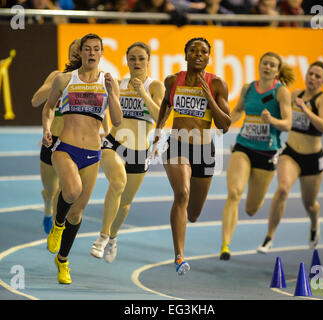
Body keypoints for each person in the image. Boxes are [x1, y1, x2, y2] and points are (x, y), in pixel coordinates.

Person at [42, 33, 122, 284]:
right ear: (81, 52)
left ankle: (62, 261)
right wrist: (46, 128)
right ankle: (57, 223)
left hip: (92, 153)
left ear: (101, 53)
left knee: (76, 215)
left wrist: (113, 93)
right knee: (72, 190)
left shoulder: (109, 82)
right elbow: (48, 107)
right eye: (87, 49)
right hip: (65, 146)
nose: (91, 53)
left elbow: (117, 121)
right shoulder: (65, 79)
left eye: (96, 49)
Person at [152, 37, 231, 275]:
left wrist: (210, 99)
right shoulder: (173, 80)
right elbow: (166, 103)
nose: (198, 54)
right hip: (177, 145)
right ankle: (179, 256)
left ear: (209, 57)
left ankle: (183, 224)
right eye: (193, 50)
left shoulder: (216, 84)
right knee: (182, 193)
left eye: (204, 51)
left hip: (205, 151)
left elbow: (225, 125)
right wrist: (159, 128)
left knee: (193, 213)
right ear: (185, 54)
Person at [90, 42, 165, 261]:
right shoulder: (118, 83)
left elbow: (160, 116)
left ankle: (113, 238)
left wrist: (142, 92)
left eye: (141, 58)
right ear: (127, 60)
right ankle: (102, 238)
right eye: (132, 58)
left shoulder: (155, 86)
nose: (137, 62)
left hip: (140, 152)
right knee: (117, 183)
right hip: (114, 143)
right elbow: (102, 109)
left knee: (125, 203)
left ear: (148, 61)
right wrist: (101, 131)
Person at [220, 52, 296, 260]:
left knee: (252, 208)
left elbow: (288, 124)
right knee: (234, 193)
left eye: (272, 65)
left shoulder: (281, 93)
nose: (267, 67)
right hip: (243, 147)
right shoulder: (248, 88)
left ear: (277, 71)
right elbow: (236, 111)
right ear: (259, 65)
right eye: (265, 63)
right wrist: (225, 123)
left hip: (267, 152)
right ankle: (225, 244)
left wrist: (272, 120)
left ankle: (252, 205)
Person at [257, 61, 323, 253]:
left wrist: (305, 109)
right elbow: (281, 114)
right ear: (306, 74)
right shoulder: (295, 95)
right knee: (282, 189)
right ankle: (269, 238)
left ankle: (314, 224)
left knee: (309, 204)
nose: (313, 78)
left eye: (318, 76)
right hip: (291, 153)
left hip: (313, 158)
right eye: (311, 74)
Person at [31, 39, 81, 234]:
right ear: (68, 55)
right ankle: (48, 209)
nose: (77, 54)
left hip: (73, 143)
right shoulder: (57, 76)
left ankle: (60, 225)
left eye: (80, 51)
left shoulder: (90, 80)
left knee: (66, 189)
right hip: (52, 141)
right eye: (73, 51)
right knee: (50, 190)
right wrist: (58, 82)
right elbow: (35, 101)